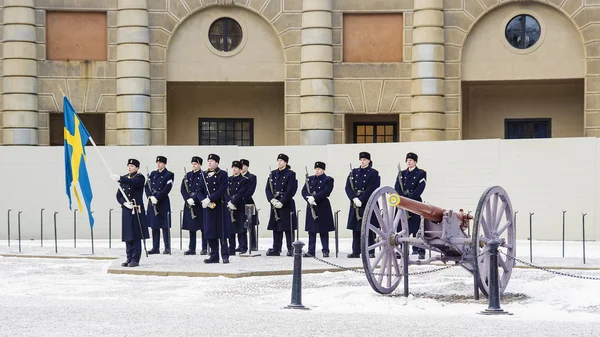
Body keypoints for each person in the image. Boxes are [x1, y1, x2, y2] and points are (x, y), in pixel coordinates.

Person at [113, 158, 149, 267]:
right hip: (127, 210)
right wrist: (124, 203)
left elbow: (134, 183)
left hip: (136, 209)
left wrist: (120, 178)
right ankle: (128, 258)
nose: (129, 167)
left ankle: (135, 259)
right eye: (128, 166)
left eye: (132, 166)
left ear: (137, 168)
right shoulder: (125, 178)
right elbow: (118, 195)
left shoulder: (139, 177)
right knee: (128, 235)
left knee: (136, 235)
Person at [345, 151, 380, 258]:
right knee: (356, 228)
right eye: (361, 159)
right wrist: (354, 198)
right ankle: (356, 251)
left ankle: (370, 250)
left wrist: (362, 199)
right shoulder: (354, 172)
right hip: (355, 202)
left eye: (364, 159)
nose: (362, 161)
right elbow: (348, 187)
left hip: (367, 202)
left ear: (369, 161)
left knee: (369, 227)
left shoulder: (373, 173)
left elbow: (373, 187)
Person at [395, 152, 427, 259]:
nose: (409, 162)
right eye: (407, 160)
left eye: (411, 160)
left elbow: (421, 187)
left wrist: (410, 199)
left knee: (417, 227)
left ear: (415, 162)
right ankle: (402, 250)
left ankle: (419, 249)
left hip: (415, 202)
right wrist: (402, 199)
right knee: (401, 227)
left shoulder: (421, 173)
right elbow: (397, 187)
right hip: (402, 203)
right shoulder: (401, 174)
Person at [265, 153, 298, 257]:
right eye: (278, 160)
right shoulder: (273, 174)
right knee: (276, 227)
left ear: (286, 162)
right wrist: (271, 200)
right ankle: (276, 249)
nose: (279, 162)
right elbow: (268, 189)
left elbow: (290, 190)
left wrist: (282, 202)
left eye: (281, 161)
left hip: (286, 203)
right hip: (275, 203)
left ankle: (291, 248)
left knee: (288, 228)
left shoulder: (290, 174)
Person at [301, 161, 335, 258]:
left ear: (323, 170)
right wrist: (308, 198)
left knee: (323, 230)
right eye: (316, 169)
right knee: (311, 230)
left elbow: (326, 191)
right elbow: (303, 191)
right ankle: (311, 251)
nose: (317, 171)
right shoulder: (310, 179)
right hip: (311, 205)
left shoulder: (328, 179)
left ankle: (325, 250)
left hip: (322, 205)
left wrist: (315, 198)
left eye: (319, 169)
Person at [201, 154, 230, 264]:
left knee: (221, 232)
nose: (209, 163)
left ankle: (225, 255)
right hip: (209, 208)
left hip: (219, 207)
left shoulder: (222, 174)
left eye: (212, 161)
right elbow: (199, 190)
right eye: (208, 161)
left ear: (217, 163)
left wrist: (210, 198)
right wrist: (204, 200)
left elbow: (222, 190)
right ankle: (214, 255)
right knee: (210, 232)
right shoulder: (204, 174)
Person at [145, 155, 174, 255]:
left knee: (165, 226)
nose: (158, 164)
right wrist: (150, 197)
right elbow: (147, 187)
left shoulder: (169, 174)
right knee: (154, 225)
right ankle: (155, 247)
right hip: (152, 201)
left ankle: (167, 247)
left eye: (160, 163)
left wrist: (157, 198)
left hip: (162, 202)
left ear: (164, 164)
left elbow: (167, 188)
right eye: (157, 163)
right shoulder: (152, 174)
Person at [180, 156, 206, 255]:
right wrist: (188, 199)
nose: (193, 165)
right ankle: (192, 248)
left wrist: (194, 199)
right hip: (189, 204)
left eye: (195, 164)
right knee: (191, 228)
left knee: (203, 228)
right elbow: (183, 189)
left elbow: (201, 190)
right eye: (192, 164)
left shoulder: (203, 175)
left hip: (199, 203)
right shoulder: (188, 175)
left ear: (199, 165)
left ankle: (204, 248)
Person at [227, 161, 250, 255]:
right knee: (231, 228)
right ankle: (231, 247)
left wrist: (234, 202)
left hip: (239, 206)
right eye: (233, 167)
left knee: (241, 228)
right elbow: (225, 191)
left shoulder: (244, 180)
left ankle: (243, 247)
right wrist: (228, 202)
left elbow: (242, 193)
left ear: (240, 169)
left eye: (236, 167)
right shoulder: (228, 179)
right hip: (229, 206)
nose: (234, 169)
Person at [240, 159, 258, 251]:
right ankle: (241, 244)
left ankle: (253, 244)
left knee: (250, 224)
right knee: (240, 223)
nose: (241, 168)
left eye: (243, 166)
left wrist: (242, 198)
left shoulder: (251, 177)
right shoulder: (237, 177)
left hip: (248, 202)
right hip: (238, 203)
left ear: (247, 166)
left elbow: (250, 190)